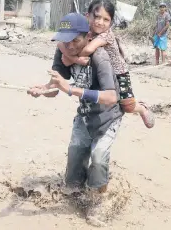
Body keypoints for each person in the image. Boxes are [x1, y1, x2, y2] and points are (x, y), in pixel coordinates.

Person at [27, 13, 123, 226]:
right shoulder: (61, 52)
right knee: (72, 176)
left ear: (88, 36)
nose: (69, 46)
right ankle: (77, 195)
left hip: (109, 117)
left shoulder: (100, 57)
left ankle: (99, 199)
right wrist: (42, 90)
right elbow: (55, 88)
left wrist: (70, 89)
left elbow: (111, 97)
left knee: (98, 158)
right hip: (85, 115)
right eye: (65, 40)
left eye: (75, 41)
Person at [58, 0, 155, 129]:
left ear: (111, 23)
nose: (100, 22)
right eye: (97, 17)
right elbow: (60, 44)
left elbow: (88, 50)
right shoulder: (84, 31)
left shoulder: (106, 35)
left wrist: (72, 59)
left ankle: (142, 108)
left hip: (119, 73)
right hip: (100, 72)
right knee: (97, 98)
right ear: (88, 16)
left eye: (106, 19)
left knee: (127, 106)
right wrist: (71, 57)